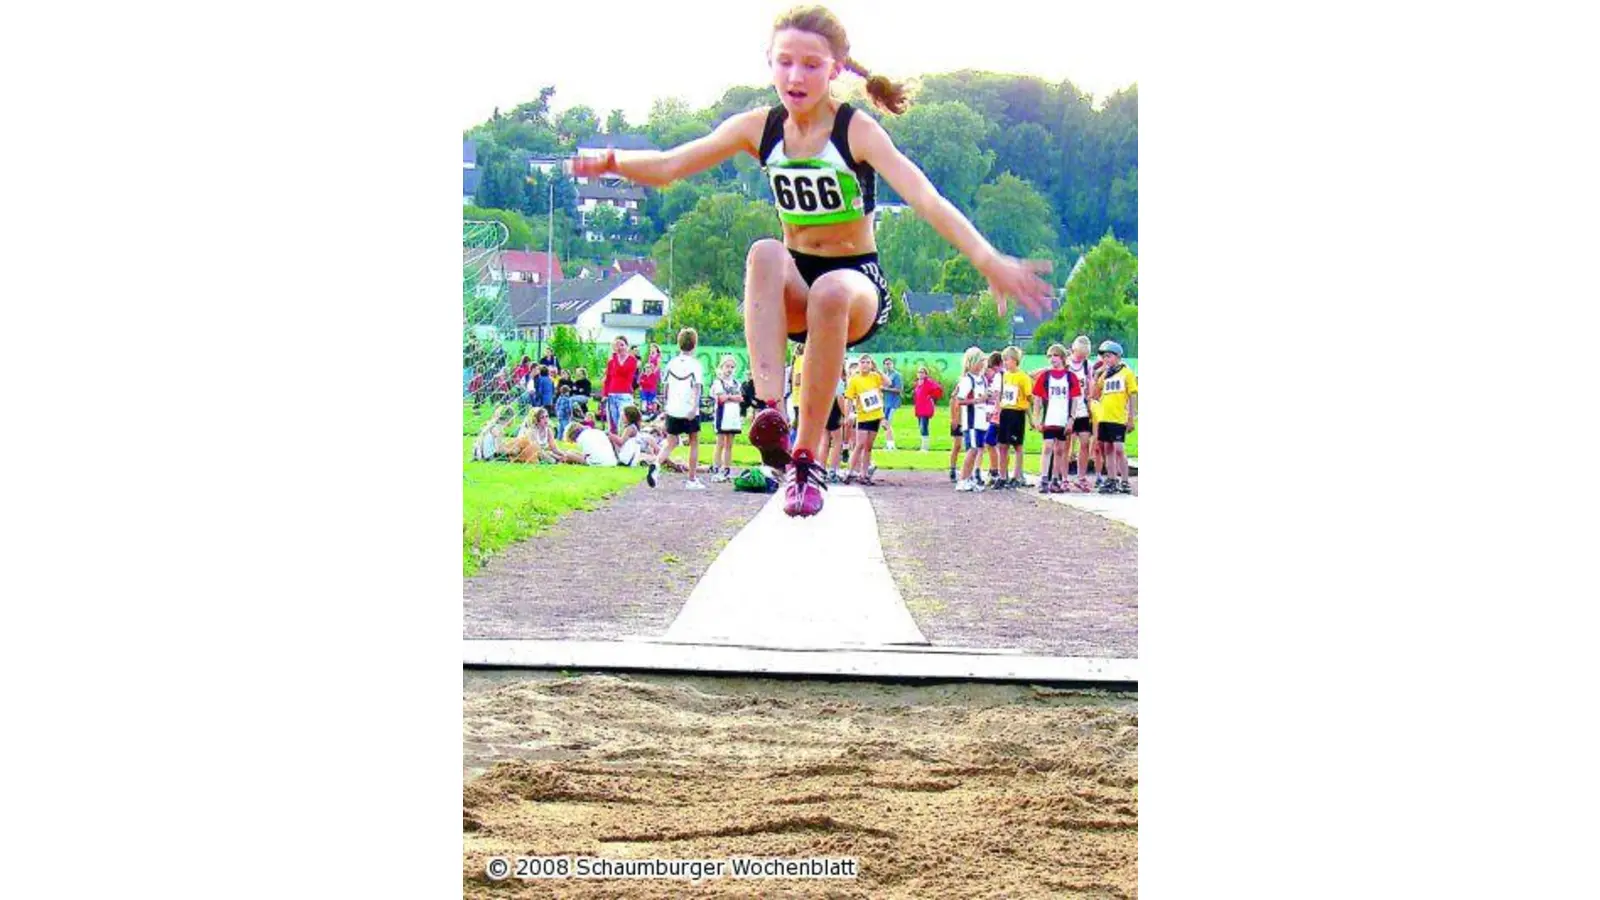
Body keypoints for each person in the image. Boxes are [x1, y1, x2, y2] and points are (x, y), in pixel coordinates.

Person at [568, 5, 1053, 517]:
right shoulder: (760, 127)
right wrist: (613, 161)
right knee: (764, 252)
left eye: (811, 65)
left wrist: (988, 259)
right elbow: (669, 166)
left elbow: (924, 198)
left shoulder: (856, 131)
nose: (795, 77)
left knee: (832, 291)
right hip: (795, 282)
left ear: (835, 70)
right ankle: (770, 412)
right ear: (770, 64)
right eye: (785, 63)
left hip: (857, 284)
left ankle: (806, 460)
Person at [645, 327, 706, 490]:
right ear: (695, 344)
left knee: (671, 441)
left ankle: (656, 464)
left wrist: (666, 406)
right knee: (694, 442)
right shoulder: (695, 365)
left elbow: (665, 387)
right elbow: (697, 388)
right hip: (689, 409)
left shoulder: (671, 363)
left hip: (673, 408)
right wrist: (694, 407)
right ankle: (692, 479)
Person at [1031, 343, 1086, 494]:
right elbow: (1037, 398)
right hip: (1049, 417)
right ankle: (1044, 478)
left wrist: (1071, 418)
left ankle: (1056, 478)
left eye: (1055, 356)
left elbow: (1075, 399)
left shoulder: (1070, 377)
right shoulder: (1045, 376)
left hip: (1063, 418)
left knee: (1060, 449)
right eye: (1050, 356)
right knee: (1048, 446)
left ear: (1062, 358)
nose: (1052, 359)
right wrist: (1036, 417)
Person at [1089, 340, 1137, 494]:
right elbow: (1096, 394)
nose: (1106, 360)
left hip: (1118, 417)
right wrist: (1097, 376)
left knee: (1119, 448)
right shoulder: (1105, 375)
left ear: (1117, 357)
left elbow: (1132, 395)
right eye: (1104, 357)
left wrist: (1131, 416)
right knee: (1107, 448)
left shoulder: (1126, 373)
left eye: (1109, 356)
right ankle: (1111, 479)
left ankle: (1124, 480)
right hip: (1105, 416)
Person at [843, 352, 885, 484]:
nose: (865, 365)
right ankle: (849, 471)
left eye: (868, 362)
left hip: (876, 415)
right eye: (863, 362)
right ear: (859, 365)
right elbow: (849, 398)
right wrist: (847, 414)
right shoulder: (855, 379)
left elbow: (888, 382)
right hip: (863, 416)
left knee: (869, 446)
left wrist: (877, 369)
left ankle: (864, 474)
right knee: (859, 444)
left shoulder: (875, 376)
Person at [953, 347, 991, 492]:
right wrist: (977, 400)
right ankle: (963, 479)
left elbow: (984, 399)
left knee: (977, 449)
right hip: (972, 421)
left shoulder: (982, 379)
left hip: (981, 420)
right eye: (980, 361)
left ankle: (968, 478)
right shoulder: (967, 380)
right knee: (972, 449)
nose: (982, 364)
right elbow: (959, 401)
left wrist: (987, 403)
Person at [997, 346, 1033, 489]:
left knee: (1017, 445)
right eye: (1004, 360)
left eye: (1007, 360)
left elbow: (1029, 397)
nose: (1005, 363)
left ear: (1015, 360)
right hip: (1005, 412)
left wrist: (1031, 417)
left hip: (1017, 413)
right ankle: (1002, 475)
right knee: (1002, 445)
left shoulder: (1023, 377)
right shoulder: (1005, 376)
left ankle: (1017, 475)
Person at [711, 354, 744, 482]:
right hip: (722, 415)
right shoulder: (718, 382)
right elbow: (721, 398)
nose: (729, 369)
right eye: (727, 366)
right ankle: (716, 468)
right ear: (722, 367)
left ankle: (726, 469)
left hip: (733, 416)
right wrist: (732, 397)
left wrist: (730, 397)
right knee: (720, 442)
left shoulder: (736, 383)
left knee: (729, 444)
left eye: (732, 367)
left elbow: (741, 398)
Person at [602, 336, 639, 435]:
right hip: (612, 394)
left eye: (622, 345)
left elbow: (622, 370)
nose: (619, 348)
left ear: (627, 346)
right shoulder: (611, 362)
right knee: (612, 424)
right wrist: (605, 394)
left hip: (625, 394)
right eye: (616, 345)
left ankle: (625, 442)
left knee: (624, 422)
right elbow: (608, 378)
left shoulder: (632, 360)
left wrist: (615, 357)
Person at [911, 364, 943, 453]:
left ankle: (925, 447)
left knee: (923, 426)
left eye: (922, 372)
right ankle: (922, 446)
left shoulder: (929, 382)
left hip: (926, 407)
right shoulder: (917, 383)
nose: (920, 374)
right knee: (920, 426)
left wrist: (931, 396)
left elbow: (938, 389)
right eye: (919, 372)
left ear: (925, 374)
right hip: (919, 407)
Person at [879, 356, 903, 451]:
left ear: (892, 364)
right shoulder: (884, 375)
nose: (887, 365)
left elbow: (899, 389)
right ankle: (889, 443)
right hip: (885, 402)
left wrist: (885, 389)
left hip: (892, 402)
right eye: (885, 364)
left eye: (889, 363)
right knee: (884, 424)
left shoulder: (896, 375)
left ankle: (891, 445)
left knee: (887, 423)